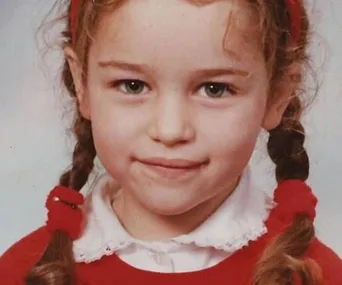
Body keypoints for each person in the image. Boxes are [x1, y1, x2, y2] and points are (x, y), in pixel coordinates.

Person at [1, 0, 341, 284]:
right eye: (132, 86)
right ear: (81, 84)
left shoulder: (315, 274)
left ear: (279, 94)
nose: (170, 130)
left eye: (215, 88)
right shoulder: (25, 270)